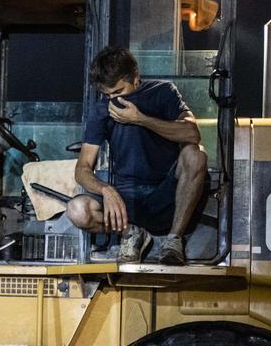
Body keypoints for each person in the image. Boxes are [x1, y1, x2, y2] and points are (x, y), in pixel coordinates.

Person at [65, 46, 207, 264]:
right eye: (107, 94)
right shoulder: (102, 110)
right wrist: (107, 190)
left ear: (135, 78)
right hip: (125, 200)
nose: (113, 99)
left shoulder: (163, 92)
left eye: (119, 92)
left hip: (165, 196)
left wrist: (140, 119)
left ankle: (173, 241)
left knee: (195, 154)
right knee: (77, 210)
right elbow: (82, 168)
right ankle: (131, 234)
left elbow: (192, 134)